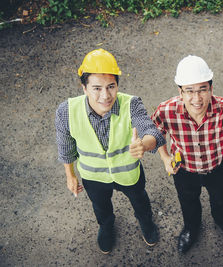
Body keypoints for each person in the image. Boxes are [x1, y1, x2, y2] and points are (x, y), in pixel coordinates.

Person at [55, 49, 165, 254]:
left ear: (117, 85)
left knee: (140, 201)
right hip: (93, 176)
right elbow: (65, 146)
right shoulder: (66, 111)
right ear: (84, 88)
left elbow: (152, 132)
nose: (105, 96)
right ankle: (106, 227)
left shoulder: (132, 104)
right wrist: (70, 175)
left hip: (129, 174)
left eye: (111, 87)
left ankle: (146, 223)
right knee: (100, 207)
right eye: (96, 88)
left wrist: (144, 144)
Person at [151, 55, 223, 253]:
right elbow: (155, 134)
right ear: (180, 91)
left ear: (211, 87)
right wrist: (165, 157)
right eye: (190, 91)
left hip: (217, 167)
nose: (197, 98)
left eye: (203, 89)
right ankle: (191, 228)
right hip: (184, 170)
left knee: (221, 199)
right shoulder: (166, 110)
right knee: (188, 201)